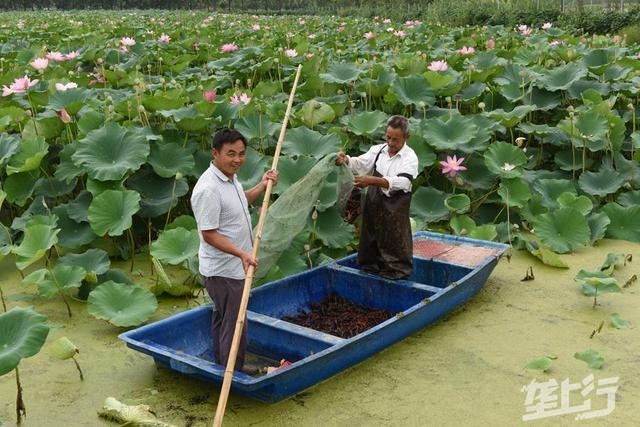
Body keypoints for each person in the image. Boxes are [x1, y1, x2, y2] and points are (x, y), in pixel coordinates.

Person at [191, 128, 277, 374]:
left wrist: (262, 186)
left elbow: (239, 203)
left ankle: (222, 364)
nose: (237, 160)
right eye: (231, 154)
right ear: (215, 153)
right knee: (235, 323)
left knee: (224, 318)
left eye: (241, 154)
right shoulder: (208, 189)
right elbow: (209, 234)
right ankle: (232, 372)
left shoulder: (230, 178)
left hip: (234, 266)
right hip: (224, 270)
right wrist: (241, 253)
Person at [336, 115, 419, 280]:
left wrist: (372, 180)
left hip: (395, 207)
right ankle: (370, 270)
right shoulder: (378, 150)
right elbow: (360, 164)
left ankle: (396, 274)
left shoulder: (410, 158)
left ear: (406, 137)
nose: (391, 142)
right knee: (370, 237)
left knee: (394, 240)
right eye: (388, 137)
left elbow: (403, 182)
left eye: (396, 139)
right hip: (374, 202)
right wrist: (346, 160)